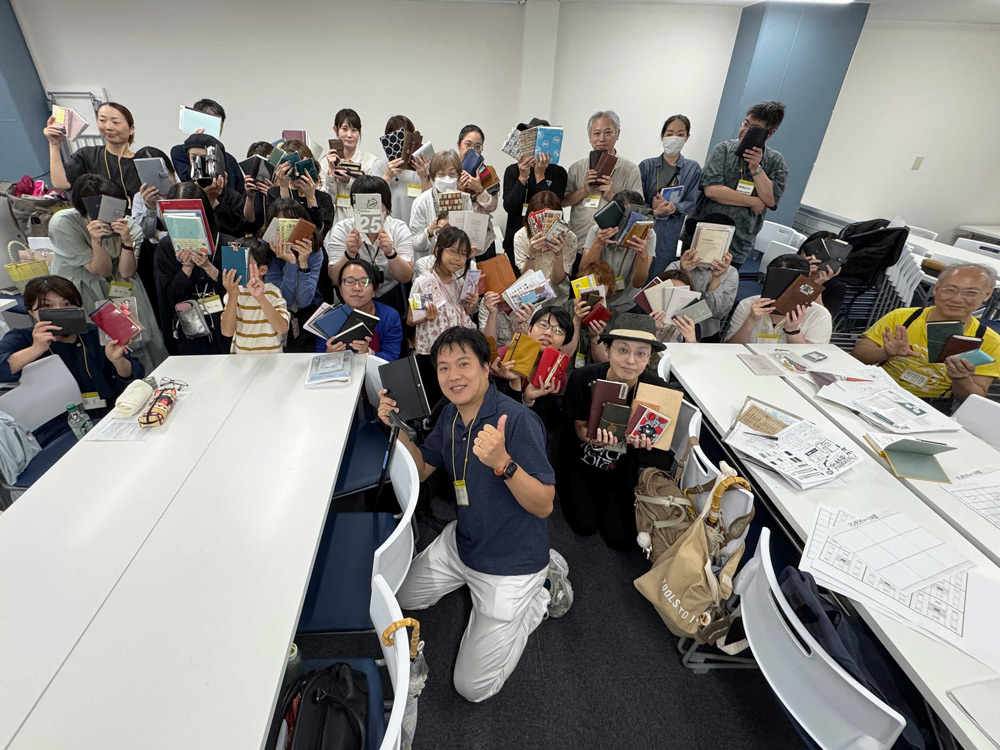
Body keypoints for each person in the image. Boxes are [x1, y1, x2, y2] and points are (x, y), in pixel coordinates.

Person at [375, 326, 572, 703]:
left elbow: (545, 504)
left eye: (463, 364)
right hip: (462, 541)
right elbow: (421, 470)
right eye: (444, 368)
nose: (453, 376)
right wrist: (395, 429)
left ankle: (539, 595)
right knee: (401, 595)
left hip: (510, 564)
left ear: (485, 367)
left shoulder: (516, 420)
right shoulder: (451, 413)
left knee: (472, 689)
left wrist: (503, 463)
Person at [558, 313, 672, 550]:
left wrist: (645, 445)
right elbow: (577, 427)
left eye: (641, 353)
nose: (631, 361)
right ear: (607, 350)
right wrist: (591, 439)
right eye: (622, 350)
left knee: (620, 539)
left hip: (622, 469)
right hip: (582, 461)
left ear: (649, 358)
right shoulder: (583, 378)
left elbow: (658, 444)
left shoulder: (656, 389)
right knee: (584, 525)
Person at [0, 275, 143, 445]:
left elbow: (134, 374)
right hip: (54, 428)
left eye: (67, 304)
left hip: (106, 414)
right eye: (47, 306)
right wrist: (35, 349)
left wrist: (117, 361)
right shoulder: (22, 338)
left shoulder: (93, 333)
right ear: (31, 311)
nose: (59, 311)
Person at [48, 173, 168, 372]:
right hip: (84, 288)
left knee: (140, 339)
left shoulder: (128, 225)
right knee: (98, 347)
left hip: (122, 284)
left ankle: (153, 376)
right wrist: (96, 242)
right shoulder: (63, 223)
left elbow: (127, 272)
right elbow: (100, 270)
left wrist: (127, 243)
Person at [852, 263, 1000, 405]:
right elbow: (857, 356)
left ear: (987, 295)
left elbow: (974, 399)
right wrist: (884, 352)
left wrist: (961, 377)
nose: (957, 299)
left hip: (930, 404)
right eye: (949, 290)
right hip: (877, 388)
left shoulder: (990, 341)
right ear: (936, 289)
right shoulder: (902, 317)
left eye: (971, 293)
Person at [691, 101, 789, 267]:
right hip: (704, 234)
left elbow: (770, 200)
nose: (745, 130)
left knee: (725, 283)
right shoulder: (723, 150)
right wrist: (754, 201)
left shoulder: (775, 161)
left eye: (754, 128)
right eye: (745, 123)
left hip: (739, 242)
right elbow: (712, 190)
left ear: (770, 133)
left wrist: (756, 169)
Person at [153, 182, 235, 355]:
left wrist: (208, 267)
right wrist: (187, 269)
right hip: (190, 331)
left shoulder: (229, 244)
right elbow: (169, 298)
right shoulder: (166, 247)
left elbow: (239, 293)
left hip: (228, 326)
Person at [325, 175, 415, 318]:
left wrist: (390, 253)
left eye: (376, 203)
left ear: (387, 206)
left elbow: (406, 276)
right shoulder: (342, 229)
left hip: (390, 293)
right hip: (354, 296)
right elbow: (335, 278)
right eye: (364, 204)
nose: (370, 210)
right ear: (354, 206)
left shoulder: (399, 228)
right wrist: (349, 253)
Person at [562, 110, 642, 263]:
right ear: (589, 137)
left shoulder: (630, 170)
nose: (601, 138)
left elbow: (637, 211)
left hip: (610, 248)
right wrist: (584, 190)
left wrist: (612, 195)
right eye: (596, 133)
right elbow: (564, 201)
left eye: (608, 132)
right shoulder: (576, 168)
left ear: (617, 134)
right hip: (578, 243)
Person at [638, 115, 703, 280]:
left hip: (669, 234)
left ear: (687, 137)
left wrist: (674, 207)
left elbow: (691, 202)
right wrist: (653, 209)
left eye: (680, 134)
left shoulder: (692, 168)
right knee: (637, 275)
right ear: (662, 136)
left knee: (659, 278)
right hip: (646, 229)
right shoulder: (647, 166)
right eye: (669, 133)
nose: (674, 138)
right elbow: (637, 202)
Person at [262, 198, 328, 352]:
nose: (287, 232)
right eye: (281, 225)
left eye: (291, 224)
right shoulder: (265, 250)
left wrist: (303, 263)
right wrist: (291, 263)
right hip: (275, 314)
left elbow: (304, 301)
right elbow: (284, 298)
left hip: (307, 316)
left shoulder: (314, 250)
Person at [43, 101, 142, 205]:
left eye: (115, 122)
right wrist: (54, 144)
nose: (108, 127)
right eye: (102, 120)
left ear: (131, 129)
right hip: (96, 215)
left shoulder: (140, 163)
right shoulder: (87, 155)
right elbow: (61, 183)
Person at [501, 118, 568, 267]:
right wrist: (522, 178)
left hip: (546, 245)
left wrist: (540, 175)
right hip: (515, 242)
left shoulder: (558, 173)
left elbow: (552, 210)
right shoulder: (512, 170)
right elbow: (509, 207)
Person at [725, 254, 832, 345]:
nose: (784, 292)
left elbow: (811, 358)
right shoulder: (747, 304)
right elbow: (731, 348)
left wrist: (793, 332)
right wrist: (751, 320)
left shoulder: (819, 315)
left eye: (791, 285)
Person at [578, 190, 654, 313]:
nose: (624, 225)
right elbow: (583, 275)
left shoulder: (647, 234)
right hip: (596, 299)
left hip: (628, 302)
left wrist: (643, 255)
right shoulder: (597, 230)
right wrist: (598, 243)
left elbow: (638, 283)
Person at [130, 145, 178, 326]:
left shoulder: (183, 190)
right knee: (162, 303)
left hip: (185, 253)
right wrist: (150, 207)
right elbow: (143, 233)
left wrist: (160, 235)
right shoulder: (140, 198)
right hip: (155, 258)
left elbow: (185, 231)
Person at [322, 258, 403, 361]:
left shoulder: (390, 316)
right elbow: (318, 357)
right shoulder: (328, 318)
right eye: (350, 281)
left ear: (375, 290)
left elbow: (392, 358)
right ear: (340, 289)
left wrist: (369, 352)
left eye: (364, 282)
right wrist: (329, 353)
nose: (356, 288)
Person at [220, 239, 290, 353]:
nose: (237, 269)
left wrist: (260, 297)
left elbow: (282, 328)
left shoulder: (272, 292)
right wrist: (233, 295)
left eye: (244, 264)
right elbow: (227, 332)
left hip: (271, 358)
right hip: (241, 359)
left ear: (262, 270)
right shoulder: (233, 293)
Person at [260, 140, 335, 239]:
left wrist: (311, 198)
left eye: (300, 167)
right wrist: (284, 189)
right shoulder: (274, 193)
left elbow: (319, 234)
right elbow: (280, 229)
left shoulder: (324, 198)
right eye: (291, 169)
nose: (296, 174)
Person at [512, 191, 577, 304]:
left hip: (558, 298)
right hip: (531, 298)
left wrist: (558, 255)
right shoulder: (520, 236)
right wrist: (531, 253)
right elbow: (526, 279)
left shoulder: (569, 238)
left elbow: (556, 281)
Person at [664, 243, 738, 342]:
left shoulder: (730, 272)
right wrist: (683, 273)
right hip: (671, 331)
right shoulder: (676, 266)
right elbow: (663, 303)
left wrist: (716, 278)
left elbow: (719, 313)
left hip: (706, 334)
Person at [168, 99, 244, 192]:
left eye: (220, 123)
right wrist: (195, 147)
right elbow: (188, 181)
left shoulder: (229, 159)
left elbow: (240, 192)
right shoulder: (179, 152)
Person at [176, 133, 244, 236]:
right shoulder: (183, 193)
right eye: (194, 158)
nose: (199, 164)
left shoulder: (233, 197)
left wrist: (213, 202)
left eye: (204, 158)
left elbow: (235, 231)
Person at [320, 108, 379, 224]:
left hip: (362, 221)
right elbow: (326, 201)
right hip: (335, 222)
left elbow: (373, 199)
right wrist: (331, 173)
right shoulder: (325, 162)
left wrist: (350, 181)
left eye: (354, 130)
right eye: (344, 129)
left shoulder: (370, 161)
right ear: (336, 130)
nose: (349, 135)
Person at [370, 115, 431, 223]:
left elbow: (430, 201)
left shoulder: (421, 166)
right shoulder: (379, 166)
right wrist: (387, 178)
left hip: (415, 226)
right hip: (387, 227)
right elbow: (372, 203)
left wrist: (423, 178)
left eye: (406, 138)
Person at [454, 125, 500, 259]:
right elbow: (443, 210)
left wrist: (479, 189)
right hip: (456, 243)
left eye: (477, 146)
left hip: (484, 243)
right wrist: (458, 190)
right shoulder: (449, 173)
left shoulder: (488, 174)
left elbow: (492, 207)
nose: (472, 150)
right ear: (459, 145)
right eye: (468, 144)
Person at [797, 231, 847, 318]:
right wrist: (803, 274)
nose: (814, 259)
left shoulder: (836, 287)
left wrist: (816, 285)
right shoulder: (789, 268)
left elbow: (823, 319)